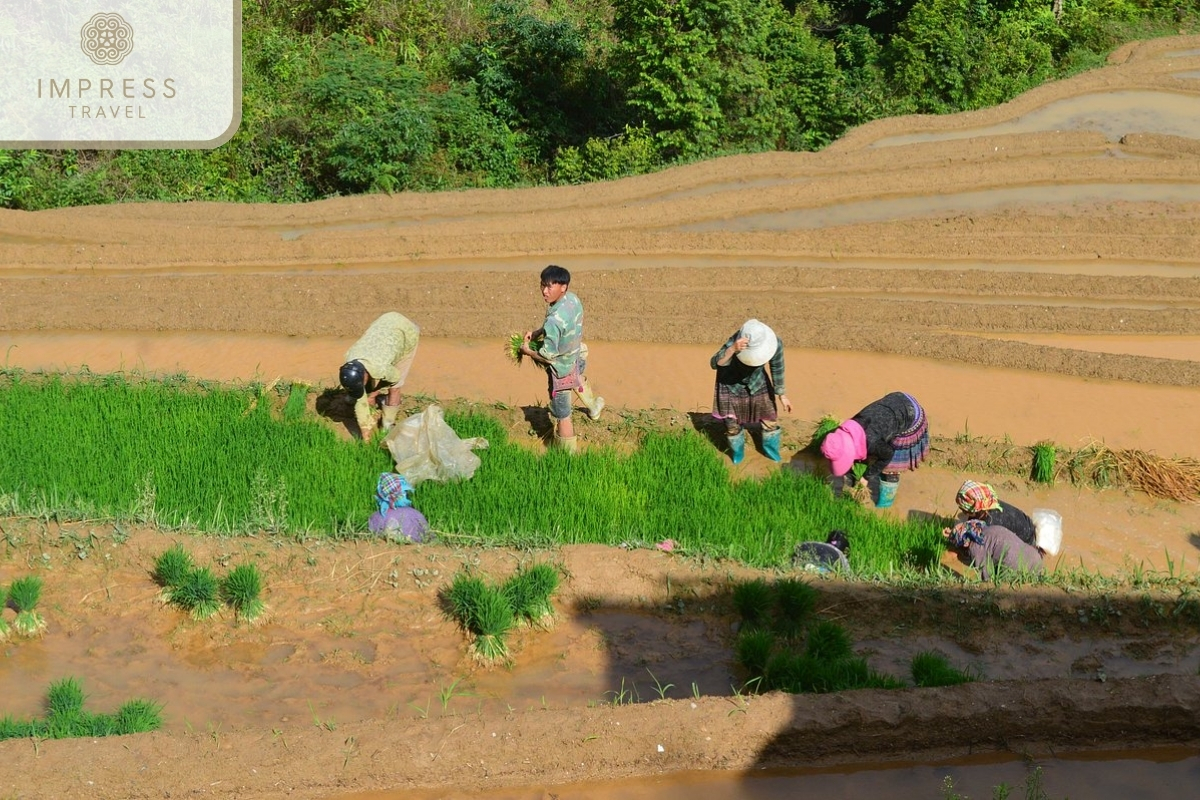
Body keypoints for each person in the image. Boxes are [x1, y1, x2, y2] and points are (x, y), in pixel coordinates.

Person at [519, 265, 604, 453]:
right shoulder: (572, 300)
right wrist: (537, 332)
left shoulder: (554, 321)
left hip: (561, 371)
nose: (544, 291)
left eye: (549, 287)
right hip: (576, 354)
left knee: (563, 415)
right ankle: (594, 408)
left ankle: (568, 456)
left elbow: (546, 356)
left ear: (563, 287)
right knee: (578, 376)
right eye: (542, 285)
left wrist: (527, 351)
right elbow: (559, 323)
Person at [820, 391, 928, 503]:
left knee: (890, 468)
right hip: (894, 400)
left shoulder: (870, 441)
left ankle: (885, 505)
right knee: (871, 455)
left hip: (910, 413)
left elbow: (888, 454)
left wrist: (866, 477)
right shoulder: (848, 428)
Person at [711, 319, 791, 464]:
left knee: (770, 418)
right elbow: (714, 363)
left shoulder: (774, 343)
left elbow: (777, 367)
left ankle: (770, 450)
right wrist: (731, 350)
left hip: (756, 381)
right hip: (730, 384)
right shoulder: (735, 342)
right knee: (732, 424)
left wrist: (782, 394)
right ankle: (737, 452)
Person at [339, 311, 420, 440]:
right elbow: (360, 395)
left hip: (405, 333)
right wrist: (366, 435)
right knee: (364, 392)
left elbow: (395, 378)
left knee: (395, 388)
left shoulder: (381, 368)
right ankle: (364, 395)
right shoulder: (350, 358)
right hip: (384, 323)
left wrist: (373, 393)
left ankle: (387, 425)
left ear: (365, 374)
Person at [944, 519, 1044, 581]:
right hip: (1035, 558)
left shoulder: (975, 546)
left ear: (964, 544)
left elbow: (987, 578)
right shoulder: (991, 529)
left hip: (1015, 567)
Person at [955, 480, 1038, 547]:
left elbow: (980, 546)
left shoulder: (990, 523)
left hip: (1026, 542)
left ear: (974, 510)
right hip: (1027, 525)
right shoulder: (988, 501)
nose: (963, 512)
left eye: (964, 510)